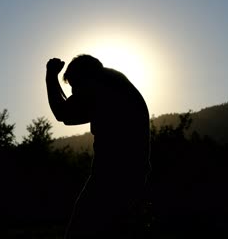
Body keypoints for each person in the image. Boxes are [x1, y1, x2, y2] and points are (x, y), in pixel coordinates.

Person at [46, 55, 151, 238]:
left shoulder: (98, 85)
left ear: (84, 75)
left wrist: (50, 76)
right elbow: (68, 113)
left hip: (112, 176)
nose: (73, 93)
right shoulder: (115, 83)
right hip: (133, 173)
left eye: (74, 86)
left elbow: (63, 113)